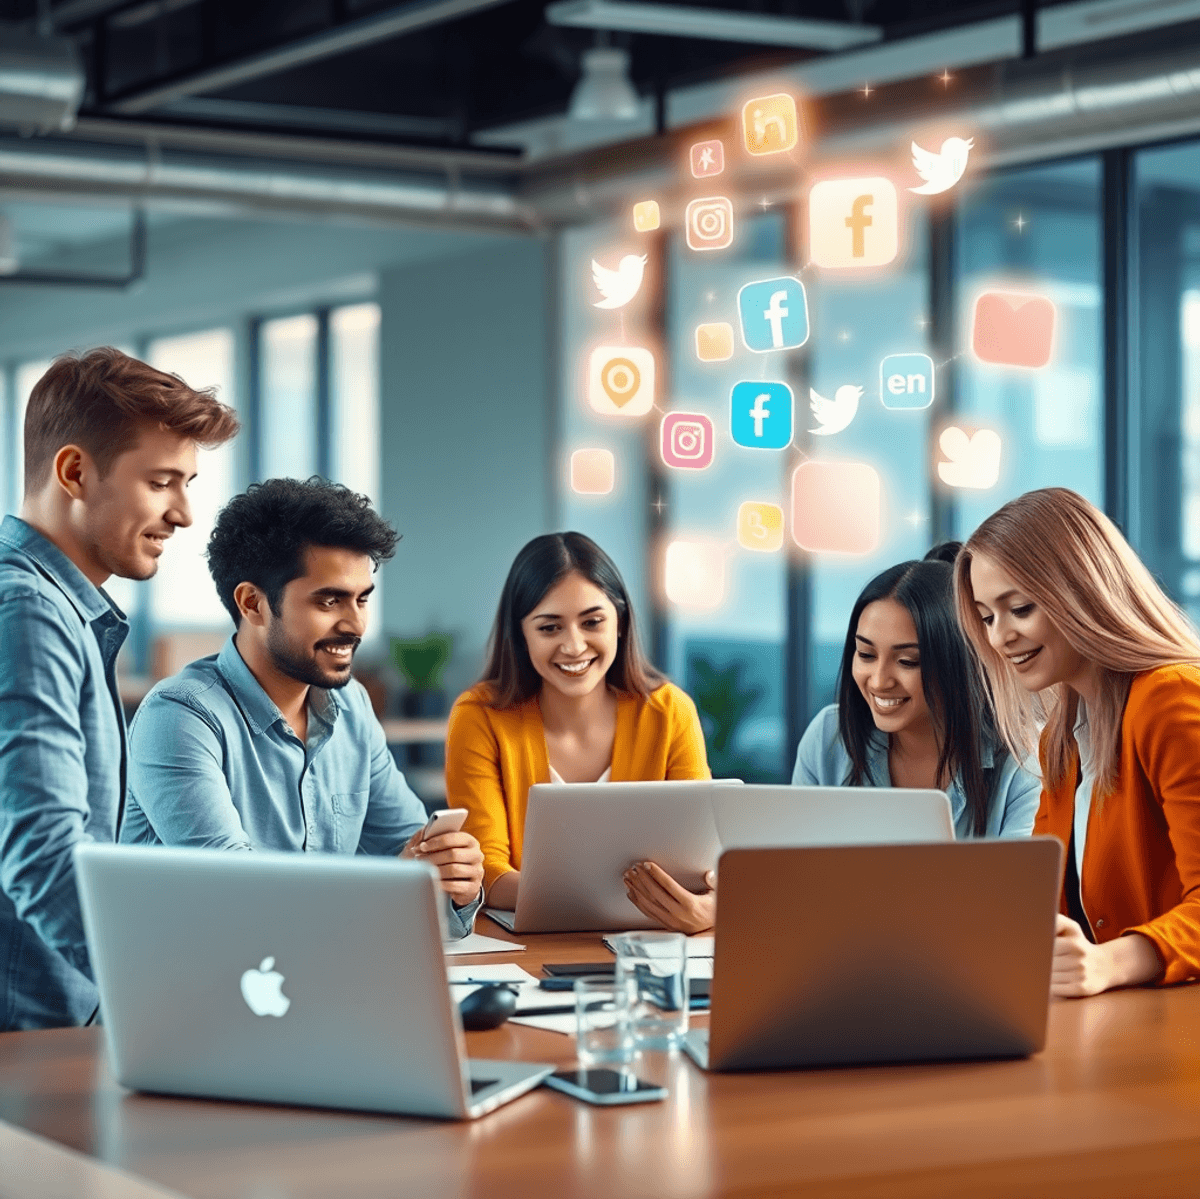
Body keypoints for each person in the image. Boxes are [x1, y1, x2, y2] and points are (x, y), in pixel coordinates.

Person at [120, 478, 484, 938]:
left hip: (322, 977)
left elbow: (408, 848)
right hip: (202, 990)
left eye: (362, 599)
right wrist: (396, 887)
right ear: (252, 603)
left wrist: (454, 879)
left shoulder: (351, 707)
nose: (354, 625)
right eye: (329, 600)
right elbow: (241, 901)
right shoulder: (180, 717)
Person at [0, 348, 239, 1030]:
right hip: (29, 1048)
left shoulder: (58, 609)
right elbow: (43, 852)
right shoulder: (28, 611)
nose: (185, 514)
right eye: (163, 481)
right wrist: (176, 992)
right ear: (74, 472)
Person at [956, 487, 1200, 997]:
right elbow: (1046, 908)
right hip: (1118, 1030)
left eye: (1019, 608)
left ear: (1082, 591)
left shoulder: (1171, 698)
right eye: (986, 617)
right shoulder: (1061, 743)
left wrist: (1112, 962)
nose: (1000, 637)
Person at [445, 532, 711, 930]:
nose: (574, 646)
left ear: (619, 622)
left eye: (592, 622)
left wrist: (709, 908)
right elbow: (487, 871)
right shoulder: (480, 717)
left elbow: (702, 864)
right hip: (528, 948)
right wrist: (614, 899)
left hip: (650, 944)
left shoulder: (670, 712)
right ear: (521, 635)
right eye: (550, 628)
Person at [794, 546, 1040, 839]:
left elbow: (1020, 884)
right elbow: (793, 865)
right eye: (866, 654)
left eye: (907, 661)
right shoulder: (829, 738)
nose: (879, 681)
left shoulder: (1024, 762)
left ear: (959, 663)